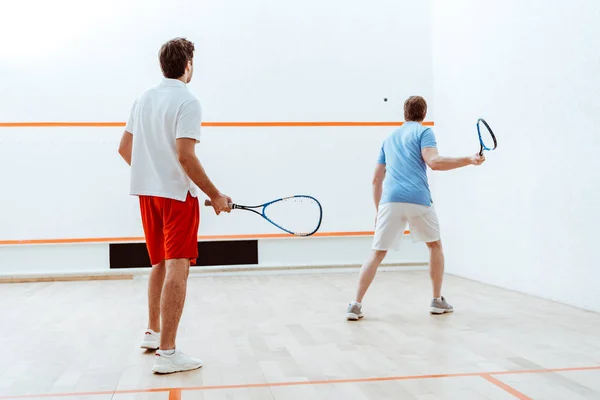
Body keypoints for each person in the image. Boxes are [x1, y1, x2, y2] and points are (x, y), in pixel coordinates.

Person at [118, 37, 231, 374]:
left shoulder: (143, 99)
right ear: (188, 65)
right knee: (178, 267)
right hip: (177, 199)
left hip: (148, 196)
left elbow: (125, 149)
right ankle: (167, 353)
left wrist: (153, 174)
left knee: (160, 265)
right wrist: (214, 194)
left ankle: (152, 333)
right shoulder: (188, 101)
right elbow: (185, 155)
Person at [346, 96, 485, 321]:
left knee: (377, 253)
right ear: (424, 113)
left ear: (404, 113)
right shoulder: (424, 132)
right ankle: (437, 300)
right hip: (418, 199)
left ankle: (355, 304)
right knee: (434, 245)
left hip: (390, 201)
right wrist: (469, 159)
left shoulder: (389, 139)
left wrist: (378, 210)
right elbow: (435, 162)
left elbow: (376, 179)